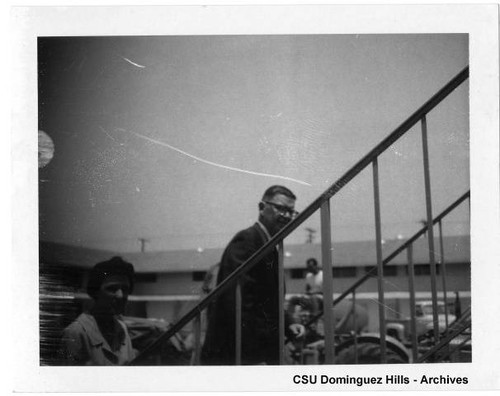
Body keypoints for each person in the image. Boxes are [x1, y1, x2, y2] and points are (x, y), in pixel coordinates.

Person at [201, 185, 305, 365]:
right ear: (261, 207)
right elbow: (238, 302)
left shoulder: (269, 244)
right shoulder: (248, 240)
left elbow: (267, 300)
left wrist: (288, 324)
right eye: (280, 208)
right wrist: (254, 355)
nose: (286, 216)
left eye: (291, 211)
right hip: (237, 354)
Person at [58, 256, 137, 365]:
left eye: (125, 289)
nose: (120, 295)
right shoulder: (76, 333)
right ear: (96, 292)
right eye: (112, 289)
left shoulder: (121, 328)